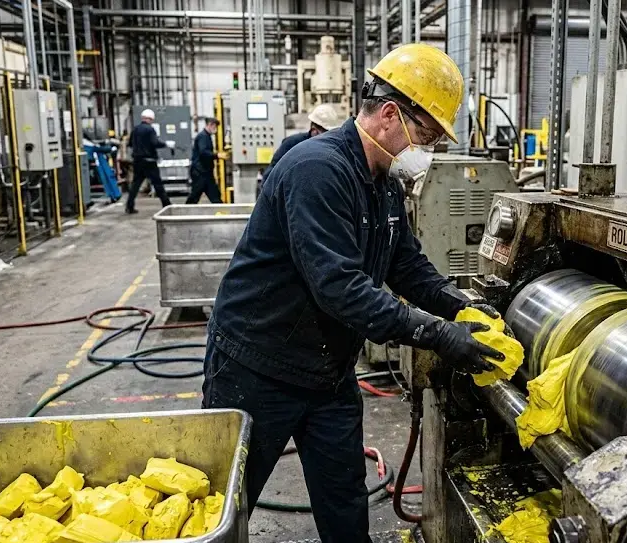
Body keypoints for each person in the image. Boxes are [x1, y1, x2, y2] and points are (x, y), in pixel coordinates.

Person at [202, 44, 507, 543]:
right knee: (226, 508)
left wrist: (462, 305)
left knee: (344, 501)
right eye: (427, 136)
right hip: (258, 369)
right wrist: (437, 334)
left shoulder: (381, 181)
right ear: (391, 115)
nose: (426, 151)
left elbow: (405, 265)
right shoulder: (317, 170)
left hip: (327, 373)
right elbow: (340, 288)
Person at [262, 103, 342, 183]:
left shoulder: (335, 148)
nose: (330, 139)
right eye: (327, 134)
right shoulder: (291, 144)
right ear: (314, 131)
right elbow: (270, 176)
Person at [126, 109, 174, 214]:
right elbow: (154, 143)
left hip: (137, 161)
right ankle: (167, 205)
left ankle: (129, 206)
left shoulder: (135, 129)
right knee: (158, 184)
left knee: (135, 184)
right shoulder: (150, 129)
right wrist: (166, 144)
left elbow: (129, 144)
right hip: (149, 162)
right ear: (151, 119)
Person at [186, 118, 224, 204]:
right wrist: (217, 155)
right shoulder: (203, 136)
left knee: (214, 196)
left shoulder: (206, 136)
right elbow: (203, 152)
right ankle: (184, 214)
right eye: (215, 127)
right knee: (195, 195)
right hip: (200, 172)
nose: (216, 129)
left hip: (205, 172)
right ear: (210, 125)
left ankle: (222, 213)